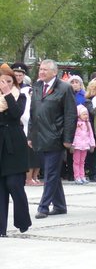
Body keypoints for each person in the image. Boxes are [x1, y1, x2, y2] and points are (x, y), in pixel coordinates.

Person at [29, 59, 76, 219]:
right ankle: (60, 205)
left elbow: (70, 115)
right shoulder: (37, 86)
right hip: (40, 136)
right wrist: (31, 135)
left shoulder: (64, 88)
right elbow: (33, 113)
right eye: (40, 69)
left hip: (56, 137)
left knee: (50, 173)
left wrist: (68, 138)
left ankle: (43, 207)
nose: (41, 72)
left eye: (45, 70)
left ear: (54, 72)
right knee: (52, 172)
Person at [0, 64, 32, 236]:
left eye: (8, 81)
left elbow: (16, 114)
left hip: (14, 143)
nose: (5, 83)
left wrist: (7, 93)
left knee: (14, 184)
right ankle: (1, 228)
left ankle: (22, 220)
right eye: (2, 81)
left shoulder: (20, 95)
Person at [72, 105, 95, 184]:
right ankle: (77, 176)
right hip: (77, 145)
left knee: (82, 162)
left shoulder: (88, 124)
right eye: (84, 114)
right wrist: (73, 144)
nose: (86, 116)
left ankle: (82, 176)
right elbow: (73, 135)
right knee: (76, 161)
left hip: (85, 145)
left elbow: (91, 134)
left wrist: (92, 144)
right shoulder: (76, 124)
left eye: (86, 114)